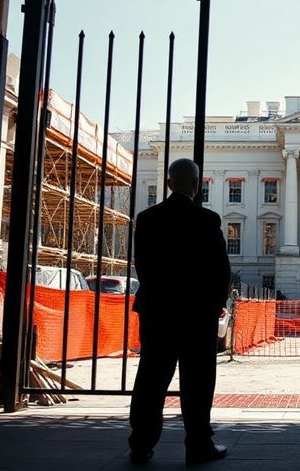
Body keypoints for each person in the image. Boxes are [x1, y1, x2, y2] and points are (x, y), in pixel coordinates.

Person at [128, 158, 231, 465]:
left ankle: (141, 444)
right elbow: (221, 271)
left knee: (151, 379)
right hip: (196, 314)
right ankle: (198, 445)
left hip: (158, 312)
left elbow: (142, 266)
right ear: (197, 186)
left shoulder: (147, 219)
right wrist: (215, 306)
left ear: (169, 184)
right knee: (197, 381)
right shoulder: (207, 220)